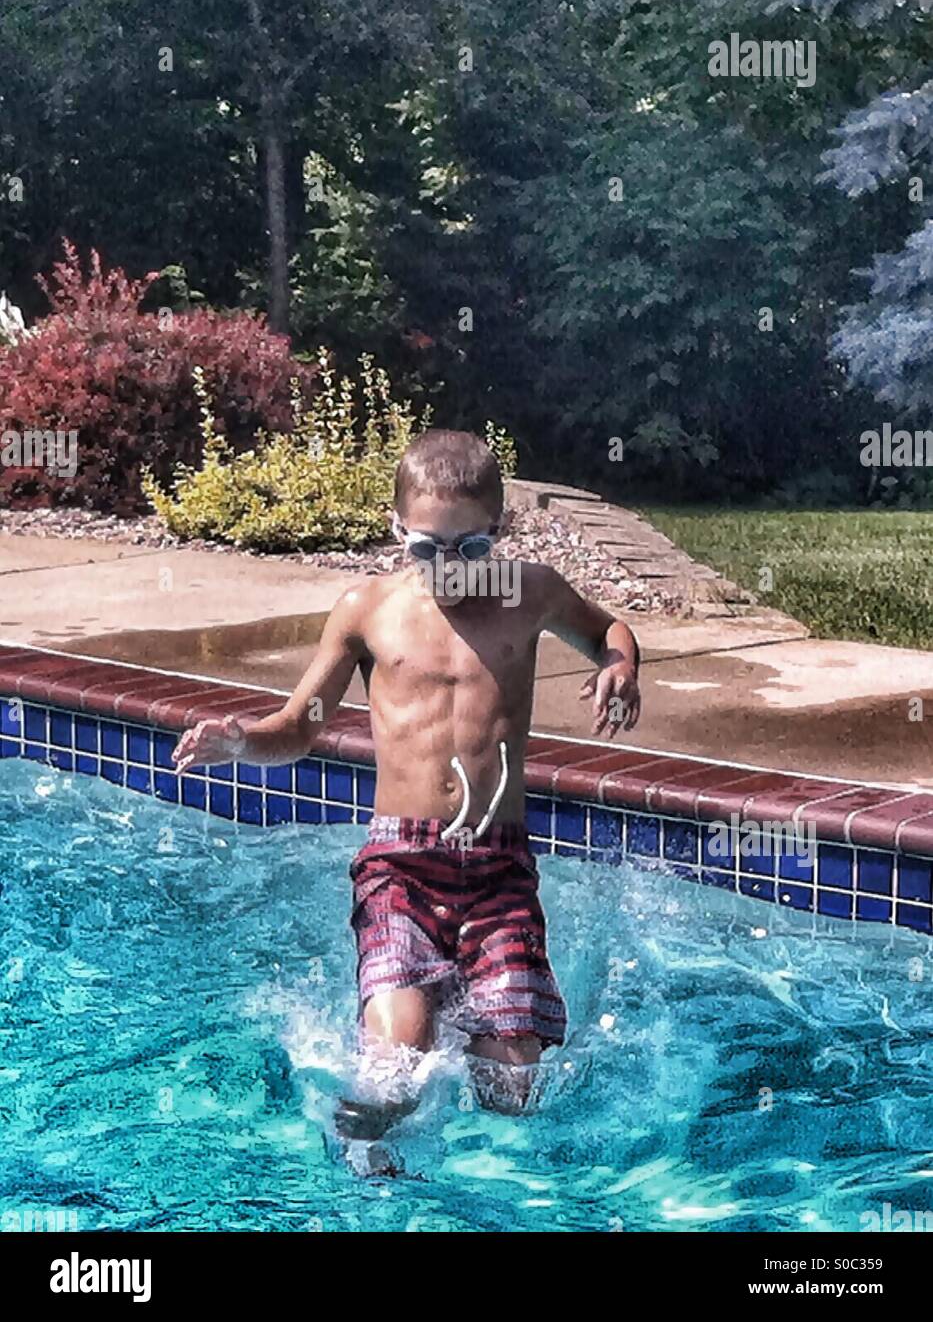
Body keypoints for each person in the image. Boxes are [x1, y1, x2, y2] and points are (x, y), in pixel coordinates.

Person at [174, 430, 640, 1153]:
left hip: (498, 868)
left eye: (470, 549)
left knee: (512, 1087)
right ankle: (365, 1172)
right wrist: (241, 741)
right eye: (425, 548)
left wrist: (620, 665)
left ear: (500, 530)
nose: (449, 568)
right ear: (395, 530)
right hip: (400, 865)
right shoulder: (367, 609)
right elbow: (302, 726)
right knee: (396, 1070)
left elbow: (607, 627)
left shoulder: (532, 593)